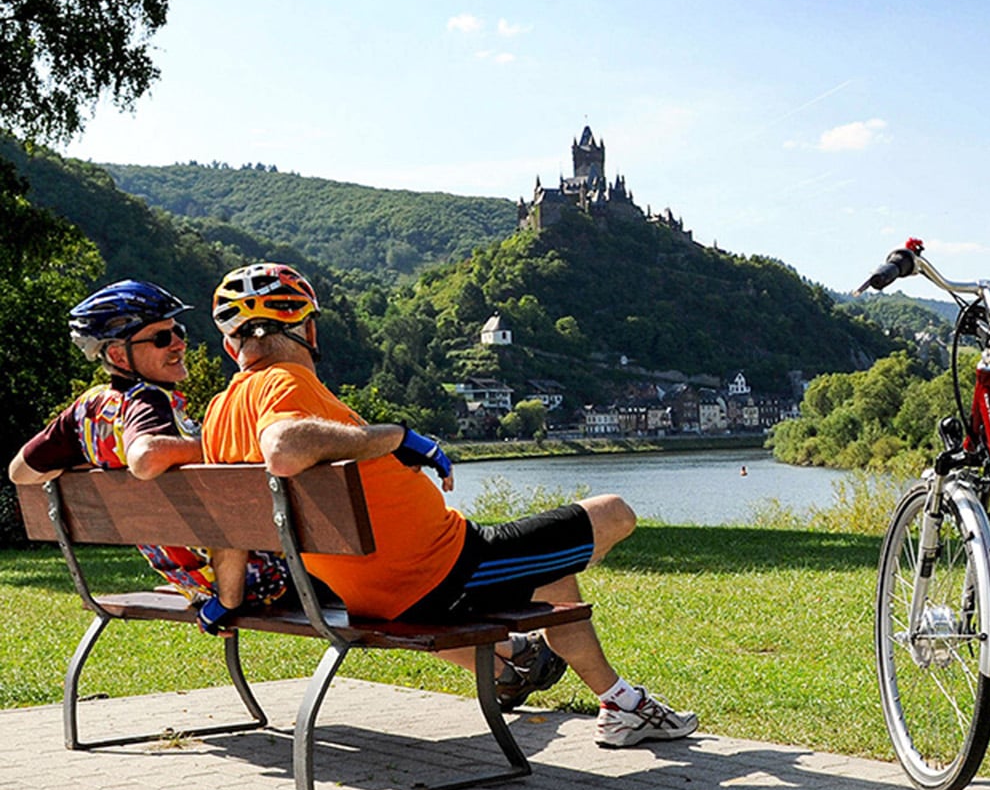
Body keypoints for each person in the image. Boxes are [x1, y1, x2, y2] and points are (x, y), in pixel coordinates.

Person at [196, 263, 695, 746]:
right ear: (310, 330)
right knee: (614, 513)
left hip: (371, 594)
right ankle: (621, 705)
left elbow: (231, 523)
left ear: (229, 344)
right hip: (445, 571)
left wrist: (229, 600)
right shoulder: (285, 381)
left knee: (552, 572)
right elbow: (283, 448)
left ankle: (612, 699)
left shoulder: (219, 414)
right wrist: (397, 437)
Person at [8, 280, 290, 625]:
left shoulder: (85, 411)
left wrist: (96, 460)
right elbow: (146, 456)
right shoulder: (148, 400)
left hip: (193, 582)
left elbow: (20, 472)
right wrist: (226, 445)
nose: (178, 343)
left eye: (177, 331)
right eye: (160, 338)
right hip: (259, 581)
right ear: (116, 354)